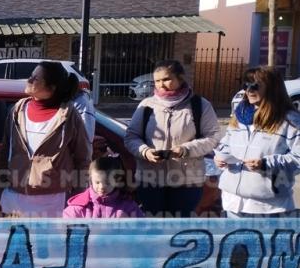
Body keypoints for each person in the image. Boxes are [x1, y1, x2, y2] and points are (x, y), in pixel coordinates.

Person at [123, 59, 221, 217]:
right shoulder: (146, 105)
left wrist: (185, 150)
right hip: (150, 180)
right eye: (157, 81)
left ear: (180, 78)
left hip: (187, 182)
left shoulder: (200, 105)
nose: (161, 84)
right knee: (153, 228)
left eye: (167, 79)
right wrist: (145, 152)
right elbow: (131, 137)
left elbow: (213, 137)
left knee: (178, 229)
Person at [0, 61, 92, 217]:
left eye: (35, 78)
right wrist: (2, 189)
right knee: (15, 241)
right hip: (15, 197)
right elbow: (5, 150)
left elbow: (83, 159)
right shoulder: (17, 110)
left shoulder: (68, 115)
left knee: (48, 242)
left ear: (52, 87)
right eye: (30, 76)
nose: (28, 80)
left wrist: (77, 198)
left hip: (53, 200)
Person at [215, 66, 300, 218]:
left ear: (272, 88)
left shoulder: (290, 120)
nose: (249, 90)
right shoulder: (239, 115)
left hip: (269, 206)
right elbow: (225, 143)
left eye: (255, 85)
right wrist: (221, 157)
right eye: (246, 85)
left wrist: (266, 164)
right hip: (233, 202)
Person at [63, 156, 144, 218]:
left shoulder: (128, 206)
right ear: (91, 179)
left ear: (117, 181)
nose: (102, 187)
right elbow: (68, 233)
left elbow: (140, 232)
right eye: (97, 182)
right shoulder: (78, 207)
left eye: (107, 183)